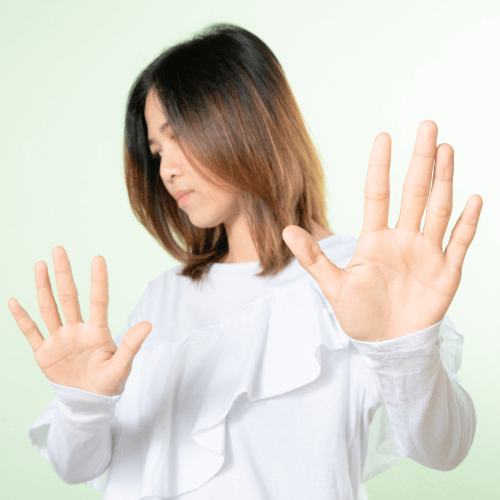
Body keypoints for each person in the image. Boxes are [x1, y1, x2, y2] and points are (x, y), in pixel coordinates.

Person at [9, 23, 481, 500]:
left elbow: (443, 448)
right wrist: (83, 405)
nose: (166, 170)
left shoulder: (356, 277)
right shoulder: (164, 297)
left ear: (246, 120)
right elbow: (77, 466)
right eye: (156, 151)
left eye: (179, 136)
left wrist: (403, 351)